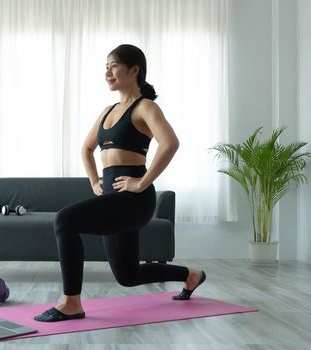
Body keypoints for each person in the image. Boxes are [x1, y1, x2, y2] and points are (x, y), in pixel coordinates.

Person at [34, 44, 206, 322]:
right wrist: (94, 180)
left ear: (134, 69)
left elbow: (170, 143)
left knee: (65, 220)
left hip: (135, 201)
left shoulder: (145, 107)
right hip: (112, 199)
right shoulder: (107, 110)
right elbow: (86, 149)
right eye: (106, 67)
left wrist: (142, 182)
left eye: (113, 65)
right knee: (128, 276)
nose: (107, 72)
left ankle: (71, 302)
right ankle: (191, 275)